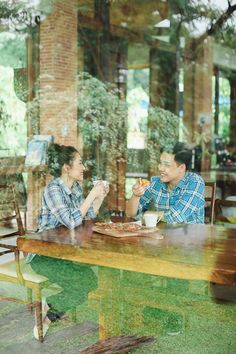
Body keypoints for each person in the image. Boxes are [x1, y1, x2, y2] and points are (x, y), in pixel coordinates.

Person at [28, 143, 109, 339]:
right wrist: (92, 194)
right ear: (67, 168)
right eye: (80, 163)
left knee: (89, 280)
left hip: (64, 252)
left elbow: (87, 217)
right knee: (81, 285)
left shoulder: (76, 187)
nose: (84, 168)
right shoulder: (53, 189)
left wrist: (99, 197)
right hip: (44, 255)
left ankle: (50, 304)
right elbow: (72, 221)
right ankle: (46, 319)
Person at [126, 142, 205, 224]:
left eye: (167, 165)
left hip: (190, 235)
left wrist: (148, 214)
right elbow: (130, 214)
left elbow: (177, 216)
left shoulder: (195, 182)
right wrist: (136, 196)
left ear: (181, 168)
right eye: (160, 163)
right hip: (163, 234)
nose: (160, 168)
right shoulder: (156, 182)